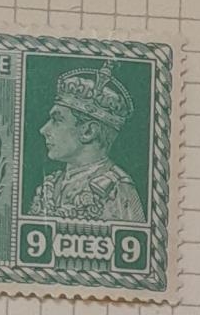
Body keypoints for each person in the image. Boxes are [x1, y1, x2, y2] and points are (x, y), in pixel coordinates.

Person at [29, 64, 145, 225]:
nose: (43, 130)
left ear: (88, 132)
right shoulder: (51, 183)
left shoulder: (118, 189)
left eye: (57, 120)